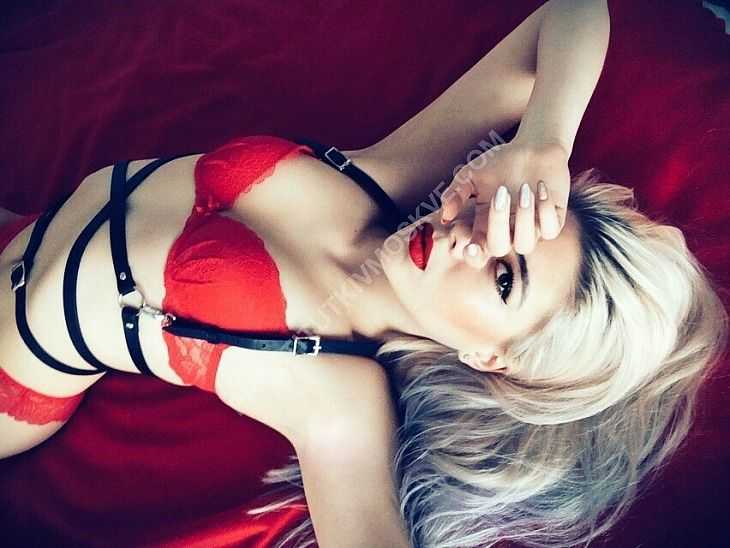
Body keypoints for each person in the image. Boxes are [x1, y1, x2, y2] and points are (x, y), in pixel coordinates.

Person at [0, 2, 726, 548]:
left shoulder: (338, 401)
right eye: (505, 220)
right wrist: (543, 144)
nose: (470, 241)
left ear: (492, 358)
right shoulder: (386, 176)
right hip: (22, 228)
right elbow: (573, 12)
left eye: (505, 279)